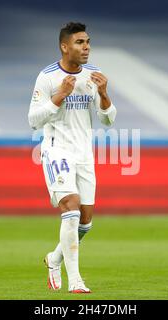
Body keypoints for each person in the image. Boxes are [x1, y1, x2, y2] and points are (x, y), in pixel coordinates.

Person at [28, 22, 117, 292]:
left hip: (84, 153)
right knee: (72, 207)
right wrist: (59, 96)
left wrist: (103, 94)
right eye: (80, 42)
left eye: (88, 42)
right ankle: (76, 280)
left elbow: (108, 120)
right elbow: (33, 120)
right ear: (64, 47)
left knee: (86, 222)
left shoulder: (94, 75)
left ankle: (54, 259)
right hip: (57, 151)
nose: (86, 47)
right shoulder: (48, 77)